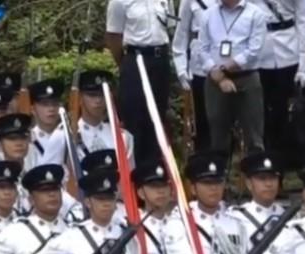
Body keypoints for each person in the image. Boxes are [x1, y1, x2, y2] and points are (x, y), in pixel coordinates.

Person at [106, 0, 173, 166]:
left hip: (160, 60)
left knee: (158, 117)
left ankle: (155, 171)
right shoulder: (119, 2)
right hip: (135, 58)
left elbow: (170, 26)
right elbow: (113, 36)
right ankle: (136, 173)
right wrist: (124, 63)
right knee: (135, 119)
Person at [199, 0, 269, 154]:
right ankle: (218, 173)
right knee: (218, 132)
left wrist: (224, 67)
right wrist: (218, 75)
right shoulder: (208, 15)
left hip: (247, 77)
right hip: (215, 80)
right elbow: (202, 49)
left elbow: (254, 50)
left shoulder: (255, 14)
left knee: (254, 134)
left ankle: (256, 173)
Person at [250, 0, 305, 169]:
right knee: (263, 117)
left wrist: (304, 66)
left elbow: (303, 21)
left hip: (289, 53)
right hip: (259, 54)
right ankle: (267, 169)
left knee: (285, 116)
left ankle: (284, 168)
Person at [172, 0, 215, 152]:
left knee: (225, 121)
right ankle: (205, 166)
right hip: (200, 67)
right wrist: (182, 69)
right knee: (203, 119)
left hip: (229, 64)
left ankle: (225, 164)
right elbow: (181, 35)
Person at [74, 70, 135, 168]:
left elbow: (129, 176)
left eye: (103, 95)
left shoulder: (123, 137)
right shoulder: (69, 137)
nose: (98, 100)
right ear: (80, 98)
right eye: (92, 95)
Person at [27, 78, 69, 167]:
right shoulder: (29, 139)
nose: (51, 109)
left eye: (55, 103)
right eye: (45, 104)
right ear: (33, 109)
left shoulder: (68, 136)